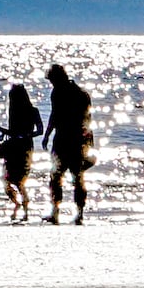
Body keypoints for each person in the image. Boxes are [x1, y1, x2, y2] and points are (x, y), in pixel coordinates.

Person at [45, 60, 96, 224]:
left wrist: (47, 134)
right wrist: (90, 141)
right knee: (73, 177)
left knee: (59, 177)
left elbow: (55, 115)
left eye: (52, 80)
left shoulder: (63, 93)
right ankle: (74, 213)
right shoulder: (80, 93)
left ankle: (61, 212)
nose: (52, 84)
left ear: (57, 79)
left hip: (67, 140)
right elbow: (88, 119)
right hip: (74, 140)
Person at [0, 80, 43, 218]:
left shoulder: (33, 111)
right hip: (13, 147)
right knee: (7, 180)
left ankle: (24, 205)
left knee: (18, 180)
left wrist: (27, 135)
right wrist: (0, 130)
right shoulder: (13, 113)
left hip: (25, 148)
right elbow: (12, 132)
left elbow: (40, 130)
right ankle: (18, 204)